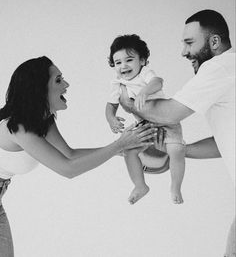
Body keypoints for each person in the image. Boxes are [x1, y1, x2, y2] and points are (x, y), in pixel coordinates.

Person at [0, 56, 156, 257]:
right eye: (58, 80)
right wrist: (120, 144)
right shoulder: (17, 126)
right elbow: (68, 169)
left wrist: (122, 149)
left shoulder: (41, 120)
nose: (66, 84)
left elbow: (70, 155)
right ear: (38, 89)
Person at [119, 10, 235, 257]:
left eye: (189, 42)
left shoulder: (220, 66)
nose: (183, 52)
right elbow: (224, 143)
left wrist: (128, 103)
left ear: (215, 42)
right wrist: (179, 148)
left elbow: (170, 113)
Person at [105, 34, 185, 205]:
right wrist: (111, 119)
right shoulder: (118, 84)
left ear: (142, 61)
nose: (123, 66)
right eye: (118, 62)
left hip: (167, 124)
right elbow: (110, 105)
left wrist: (144, 92)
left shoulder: (145, 74)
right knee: (129, 151)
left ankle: (175, 186)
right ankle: (140, 185)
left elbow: (158, 82)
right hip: (144, 125)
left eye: (129, 60)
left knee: (177, 150)